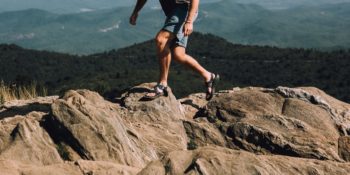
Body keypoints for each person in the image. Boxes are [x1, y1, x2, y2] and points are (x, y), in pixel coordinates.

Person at [129, 0, 219, 100]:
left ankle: (162, 84)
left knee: (161, 40)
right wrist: (136, 11)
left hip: (184, 9)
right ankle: (208, 76)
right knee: (178, 54)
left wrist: (189, 21)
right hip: (174, 12)